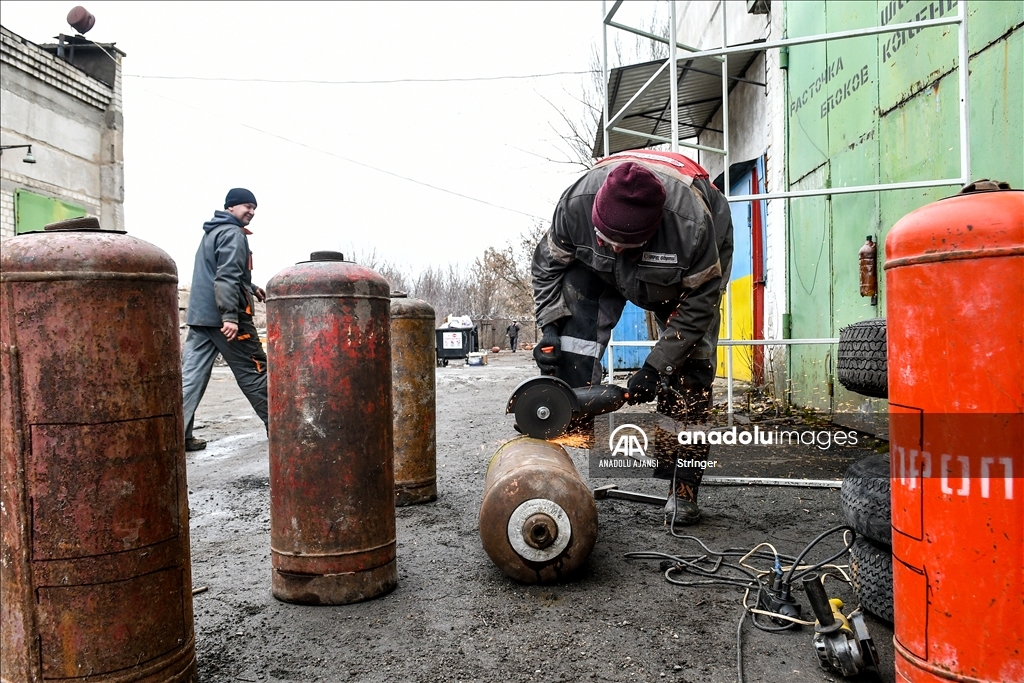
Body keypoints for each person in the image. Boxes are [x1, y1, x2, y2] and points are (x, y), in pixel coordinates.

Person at [531, 150, 733, 526]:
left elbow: (699, 306)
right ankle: (559, 467)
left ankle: (682, 486)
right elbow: (546, 268)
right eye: (607, 240)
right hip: (596, 270)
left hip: (680, 268)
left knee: (690, 370)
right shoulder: (575, 205)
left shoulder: (693, 226)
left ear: (651, 230)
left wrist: (657, 367)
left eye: (626, 245)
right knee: (571, 347)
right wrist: (549, 327)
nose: (616, 250)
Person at [181, 188, 269, 451]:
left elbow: (220, 272)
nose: (251, 212)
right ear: (231, 207)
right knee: (255, 370)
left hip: (201, 317)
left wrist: (251, 287)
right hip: (225, 319)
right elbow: (226, 276)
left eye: (254, 207)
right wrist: (230, 316)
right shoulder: (233, 234)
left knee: (190, 378)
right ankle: (282, 429)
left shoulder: (213, 231)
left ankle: (176, 437)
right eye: (246, 206)